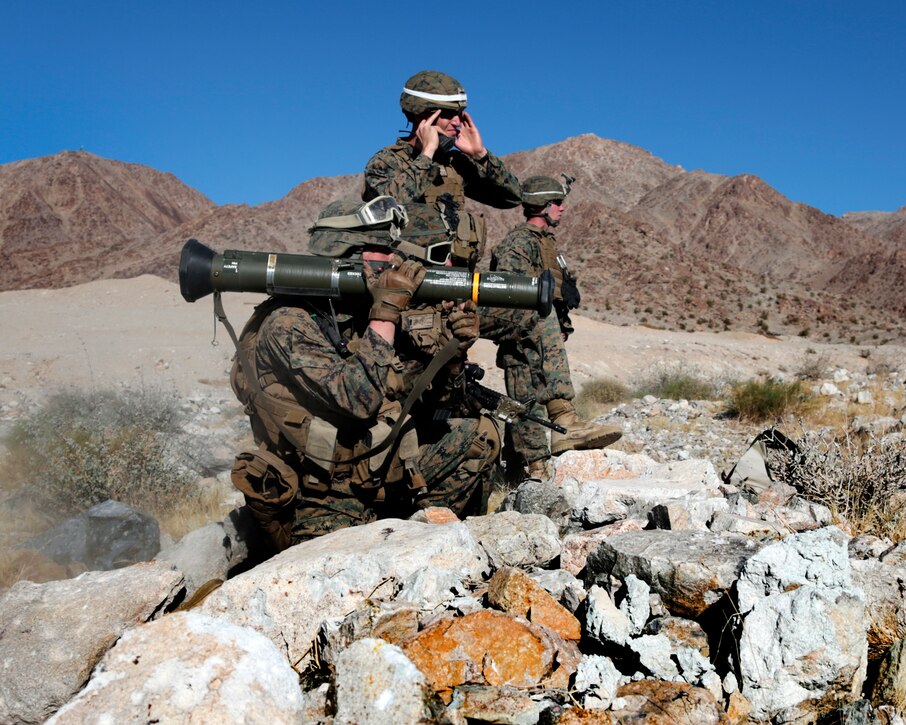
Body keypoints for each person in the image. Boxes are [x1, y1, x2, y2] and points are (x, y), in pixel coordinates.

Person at [229, 196, 499, 552]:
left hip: (377, 468)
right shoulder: (289, 322)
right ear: (346, 252)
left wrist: (452, 355)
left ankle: (441, 543)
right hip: (323, 493)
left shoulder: (357, 313)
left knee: (480, 436)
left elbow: (422, 398)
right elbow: (356, 399)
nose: (393, 260)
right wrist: (385, 314)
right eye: (381, 249)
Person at [483, 175, 622, 479]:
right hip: (521, 339)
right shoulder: (519, 243)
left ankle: (523, 470)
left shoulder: (545, 243)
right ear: (542, 206)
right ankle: (535, 470)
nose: (563, 208)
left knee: (525, 403)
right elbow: (509, 294)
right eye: (557, 202)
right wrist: (538, 327)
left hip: (539, 338)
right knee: (524, 405)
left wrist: (560, 324)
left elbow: (551, 292)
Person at [363, 70, 521, 212]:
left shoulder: (454, 163)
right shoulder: (386, 161)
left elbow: (512, 199)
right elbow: (386, 208)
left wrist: (481, 155)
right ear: (420, 114)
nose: (457, 122)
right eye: (447, 114)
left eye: (460, 114)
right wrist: (426, 155)